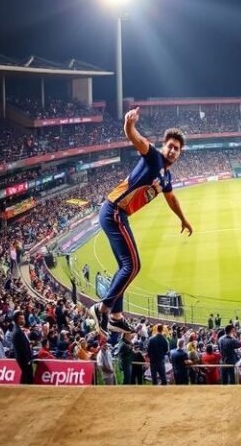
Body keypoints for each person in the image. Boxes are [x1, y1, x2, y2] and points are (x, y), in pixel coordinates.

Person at [88, 108, 193, 335]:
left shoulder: (166, 176)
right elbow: (135, 137)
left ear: (180, 153)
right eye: (171, 146)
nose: (173, 150)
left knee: (124, 267)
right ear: (164, 145)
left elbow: (171, 197)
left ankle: (116, 316)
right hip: (114, 211)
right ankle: (102, 308)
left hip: (119, 214)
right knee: (133, 265)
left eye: (177, 149)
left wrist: (184, 220)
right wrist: (129, 123)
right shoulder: (153, 156)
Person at [12, 311, 34, 384]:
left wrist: (28, 343)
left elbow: (23, 344)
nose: (23, 320)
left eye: (23, 318)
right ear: (16, 320)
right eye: (21, 319)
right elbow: (21, 348)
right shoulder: (18, 332)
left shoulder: (19, 330)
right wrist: (27, 360)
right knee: (26, 379)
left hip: (24, 359)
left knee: (26, 378)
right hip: (24, 360)